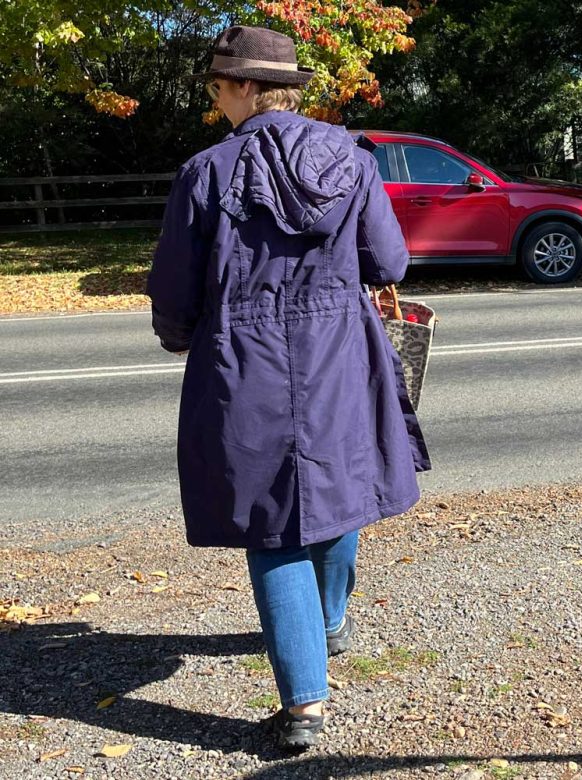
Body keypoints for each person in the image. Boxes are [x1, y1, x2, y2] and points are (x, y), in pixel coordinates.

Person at [147, 25, 430, 750]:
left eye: (218, 88)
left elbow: (176, 289)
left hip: (244, 361)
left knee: (271, 527)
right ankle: (330, 620)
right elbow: (388, 261)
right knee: (339, 492)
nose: (216, 103)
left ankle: (304, 706)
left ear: (245, 86)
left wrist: (182, 334)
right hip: (339, 352)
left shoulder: (205, 172)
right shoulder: (352, 159)